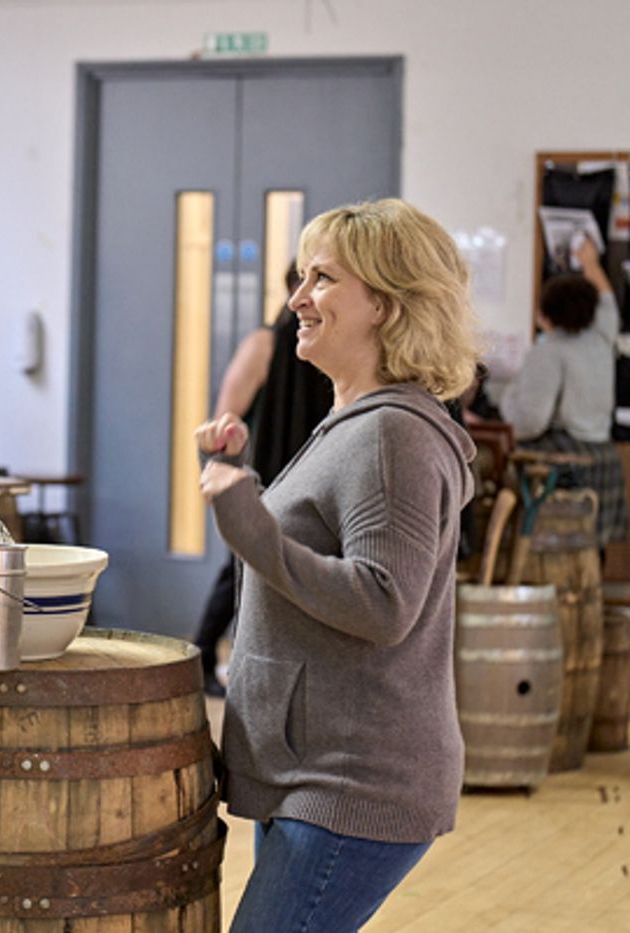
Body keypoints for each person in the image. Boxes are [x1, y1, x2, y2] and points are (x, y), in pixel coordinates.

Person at [195, 199, 478, 931]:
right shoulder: (356, 421)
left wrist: (250, 525)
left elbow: (383, 605)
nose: (296, 300)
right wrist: (235, 473)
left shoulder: (392, 435)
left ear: (384, 303)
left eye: (321, 279)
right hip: (313, 773)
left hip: (351, 782)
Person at [192, 264, 332, 695]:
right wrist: (223, 468)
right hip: (266, 469)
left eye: (323, 279)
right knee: (240, 567)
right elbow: (225, 415)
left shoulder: (329, 350)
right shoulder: (265, 342)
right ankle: (202, 653)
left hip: (312, 472)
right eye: (306, 280)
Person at [498, 236, 627, 546]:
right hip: (603, 456)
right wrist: (590, 263)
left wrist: (504, 407)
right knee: (591, 548)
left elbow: (531, 422)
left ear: (545, 314)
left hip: (565, 463)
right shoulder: (600, 338)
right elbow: (607, 301)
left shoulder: (548, 352)